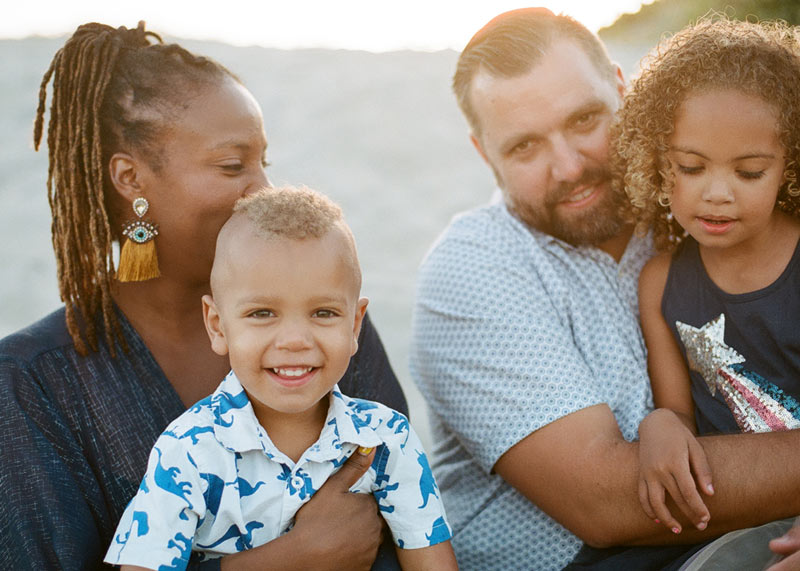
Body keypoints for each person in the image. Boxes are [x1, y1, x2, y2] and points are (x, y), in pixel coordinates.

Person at [0, 22, 407, 570]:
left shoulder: (323, 326)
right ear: (130, 178)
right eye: (232, 165)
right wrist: (295, 557)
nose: (263, 190)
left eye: (264, 162)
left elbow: (402, 520)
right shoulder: (33, 386)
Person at [409, 7, 800, 571]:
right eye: (525, 147)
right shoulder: (474, 267)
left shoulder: (700, 215)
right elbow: (605, 501)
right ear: (483, 153)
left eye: (586, 120)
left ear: (624, 89)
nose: (568, 167)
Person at [103, 186, 456, 570]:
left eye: (323, 312)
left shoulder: (386, 439)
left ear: (355, 325)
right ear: (218, 326)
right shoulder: (187, 451)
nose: (294, 341)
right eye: (262, 313)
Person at [614, 18, 800, 542]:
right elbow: (677, 410)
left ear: (789, 165)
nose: (717, 193)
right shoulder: (661, 284)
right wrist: (659, 426)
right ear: (657, 160)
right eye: (692, 167)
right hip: (734, 527)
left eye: (749, 172)